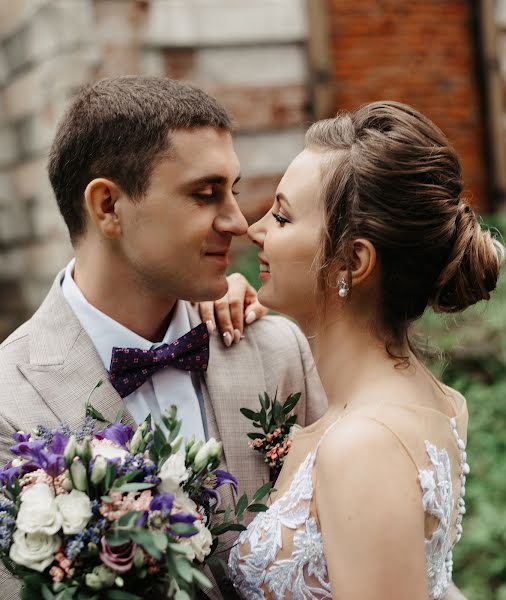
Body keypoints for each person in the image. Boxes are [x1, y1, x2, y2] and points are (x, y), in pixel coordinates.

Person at [0, 76, 325, 600]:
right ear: (108, 206)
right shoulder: (7, 406)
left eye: (233, 190)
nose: (239, 222)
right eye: (205, 194)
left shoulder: (278, 350)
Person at [228, 101, 503, 599]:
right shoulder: (433, 401)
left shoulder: (364, 444)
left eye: (283, 217)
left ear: (352, 261)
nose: (256, 228)